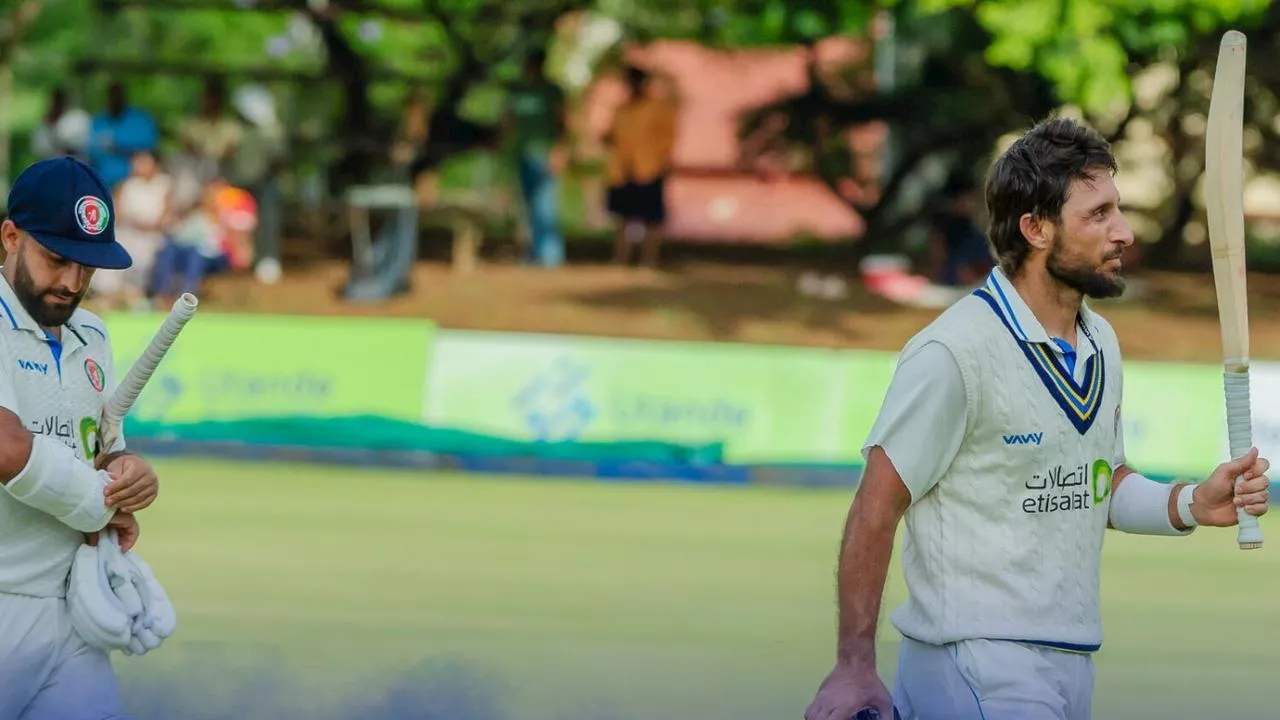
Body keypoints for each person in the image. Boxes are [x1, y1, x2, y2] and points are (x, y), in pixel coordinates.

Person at [803, 117, 1271, 720]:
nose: (1124, 232)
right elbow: (875, 508)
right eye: (1097, 214)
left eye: (1117, 209)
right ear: (1036, 229)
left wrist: (1190, 503)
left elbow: (1100, 483)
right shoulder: (954, 352)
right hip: (973, 665)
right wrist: (853, 668)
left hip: (1071, 663)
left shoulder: (1100, 342)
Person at [0, 156, 161, 718]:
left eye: (87, 267)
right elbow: (5, 446)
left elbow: (100, 447)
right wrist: (99, 505)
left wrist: (128, 473)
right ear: (11, 237)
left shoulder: (92, 334)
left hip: (71, 612)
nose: (72, 283)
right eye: (57, 259)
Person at [605, 65, 677, 269]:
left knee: (651, 218)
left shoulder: (658, 109)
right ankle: (621, 259)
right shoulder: (622, 110)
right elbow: (614, 135)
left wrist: (662, 162)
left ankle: (649, 260)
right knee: (623, 218)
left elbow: (668, 138)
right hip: (622, 170)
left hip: (649, 168)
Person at [507, 49, 569, 268]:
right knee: (527, 205)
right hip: (522, 153)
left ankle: (550, 256)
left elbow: (564, 123)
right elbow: (509, 120)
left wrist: (559, 151)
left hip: (545, 153)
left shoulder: (552, 92)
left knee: (545, 204)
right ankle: (533, 252)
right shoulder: (517, 91)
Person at [90, 149, 174, 311]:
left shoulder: (164, 184)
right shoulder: (126, 185)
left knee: (143, 257)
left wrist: (150, 225)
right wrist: (132, 222)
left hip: (153, 235)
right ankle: (109, 295)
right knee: (111, 250)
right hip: (128, 232)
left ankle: (137, 294)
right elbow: (116, 212)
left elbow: (167, 214)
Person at [87, 82, 159, 191]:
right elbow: (90, 151)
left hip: (134, 182)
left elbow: (150, 146)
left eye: (118, 95)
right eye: (112, 96)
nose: (114, 99)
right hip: (103, 182)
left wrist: (118, 145)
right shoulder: (99, 121)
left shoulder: (140, 119)